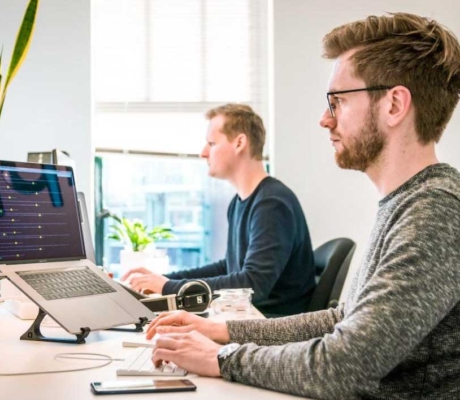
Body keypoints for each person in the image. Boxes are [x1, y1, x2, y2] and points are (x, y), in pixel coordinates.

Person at [144, 13, 460, 400]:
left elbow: (344, 366)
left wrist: (223, 358)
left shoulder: (435, 213)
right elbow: (343, 320)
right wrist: (222, 331)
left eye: (338, 101)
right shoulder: (406, 203)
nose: (324, 119)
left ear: (394, 104)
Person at [122, 103, 316, 317]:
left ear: (239, 143)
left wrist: (168, 288)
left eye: (212, 143)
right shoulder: (240, 202)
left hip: (270, 327)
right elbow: (229, 267)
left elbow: (253, 286)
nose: (203, 153)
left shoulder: (272, 204)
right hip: (247, 318)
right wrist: (166, 280)